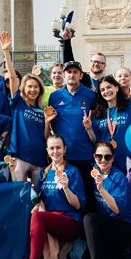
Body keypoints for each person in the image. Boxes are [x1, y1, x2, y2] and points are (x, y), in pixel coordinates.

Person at [10, 134, 86, 259]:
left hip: (71, 221)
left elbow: (78, 205)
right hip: (51, 220)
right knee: (32, 214)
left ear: (65, 149)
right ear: (47, 150)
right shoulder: (45, 172)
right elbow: (39, 198)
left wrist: (66, 188)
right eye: (52, 148)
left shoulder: (73, 172)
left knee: (38, 217)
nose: (55, 151)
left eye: (58, 147)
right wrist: (32, 190)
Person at [80, 141, 131, 259]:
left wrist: (102, 189)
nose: (103, 160)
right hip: (110, 227)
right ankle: (125, 249)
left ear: (113, 158)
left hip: (128, 226)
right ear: (94, 157)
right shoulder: (94, 172)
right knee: (86, 258)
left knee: (90, 219)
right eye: (99, 156)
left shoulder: (118, 177)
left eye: (107, 157)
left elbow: (117, 210)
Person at [46, 61, 97, 206]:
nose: (72, 75)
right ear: (63, 75)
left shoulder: (90, 95)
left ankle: (85, 228)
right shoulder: (55, 96)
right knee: (65, 195)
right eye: (69, 72)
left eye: (75, 72)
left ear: (81, 75)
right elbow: (53, 122)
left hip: (85, 155)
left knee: (87, 196)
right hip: (64, 157)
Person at [86, 74, 131, 173]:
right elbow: (96, 141)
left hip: (127, 162)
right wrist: (89, 129)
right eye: (102, 90)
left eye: (109, 87)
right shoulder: (98, 113)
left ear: (116, 88)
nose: (106, 91)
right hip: (105, 164)